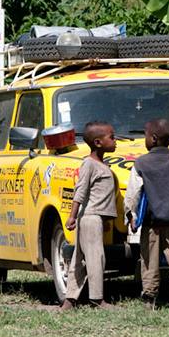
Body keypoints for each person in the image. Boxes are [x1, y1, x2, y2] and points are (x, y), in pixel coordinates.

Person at [124, 119, 169, 311]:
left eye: (146, 135)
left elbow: (133, 193)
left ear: (153, 139)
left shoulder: (141, 163)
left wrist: (130, 215)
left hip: (151, 222)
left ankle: (149, 298)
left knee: (149, 260)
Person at [60, 122, 118, 311]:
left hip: (96, 218)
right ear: (98, 142)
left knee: (79, 260)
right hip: (90, 218)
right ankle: (97, 299)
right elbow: (80, 190)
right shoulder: (89, 164)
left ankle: (69, 300)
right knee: (95, 258)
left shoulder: (102, 164)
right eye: (112, 137)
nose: (115, 140)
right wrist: (72, 216)